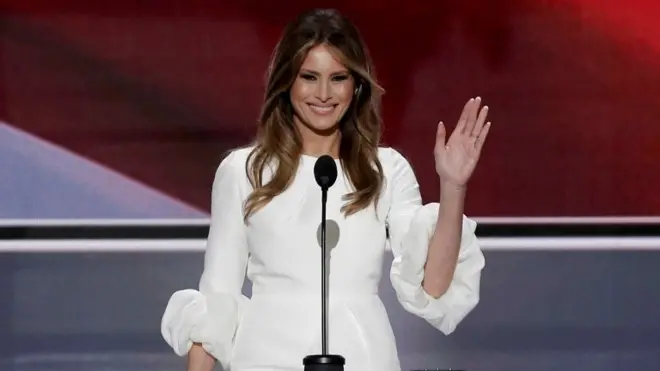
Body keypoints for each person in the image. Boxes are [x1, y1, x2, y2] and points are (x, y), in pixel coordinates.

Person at [161, 8, 489, 371]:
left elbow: (435, 286)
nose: (323, 93)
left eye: (338, 78)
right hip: (265, 359)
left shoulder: (385, 170)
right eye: (309, 77)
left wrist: (453, 186)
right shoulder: (244, 172)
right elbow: (217, 298)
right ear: (287, 81)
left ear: (356, 85)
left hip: (362, 358)